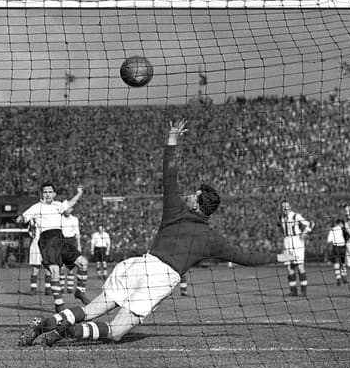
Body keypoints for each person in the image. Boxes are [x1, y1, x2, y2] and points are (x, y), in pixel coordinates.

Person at [20, 119, 285, 347]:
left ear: (196, 203)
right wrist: (279, 258)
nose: (190, 194)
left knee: (90, 310)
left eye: (195, 194)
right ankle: (65, 332)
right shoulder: (211, 239)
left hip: (138, 265)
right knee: (115, 332)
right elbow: (244, 257)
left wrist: (171, 141)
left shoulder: (175, 208)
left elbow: (169, 175)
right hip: (159, 280)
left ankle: (45, 323)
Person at [17, 181, 84, 311]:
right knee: (53, 271)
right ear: (41, 194)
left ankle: (80, 291)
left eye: (50, 192)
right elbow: (24, 217)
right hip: (46, 241)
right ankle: (58, 304)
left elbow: (70, 204)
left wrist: (79, 193)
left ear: (54, 194)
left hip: (60, 239)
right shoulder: (36, 207)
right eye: (45, 192)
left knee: (83, 263)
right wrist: (20, 218)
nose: (47, 194)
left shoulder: (58, 205)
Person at [278, 200, 313, 297]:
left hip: (297, 242)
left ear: (290, 207)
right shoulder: (281, 217)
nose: (285, 209)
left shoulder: (295, 216)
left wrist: (305, 232)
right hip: (287, 242)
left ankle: (303, 291)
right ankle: (293, 291)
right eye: (283, 207)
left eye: (287, 206)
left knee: (300, 266)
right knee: (289, 267)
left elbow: (310, 223)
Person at [57, 208, 89, 306]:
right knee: (60, 268)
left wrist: (78, 245)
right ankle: (60, 292)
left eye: (70, 208)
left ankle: (79, 291)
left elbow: (77, 233)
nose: (68, 210)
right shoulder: (58, 218)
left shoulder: (75, 219)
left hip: (71, 243)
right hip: (59, 242)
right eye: (66, 208)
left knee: (81, 263)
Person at [324, 218, 347, 287]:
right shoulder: (344, 230)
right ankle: (344, 277)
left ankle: (338, 278)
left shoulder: (333, 229)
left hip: (336, 247)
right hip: (343, 247)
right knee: (343, 263)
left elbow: (329, 240)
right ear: (340, 223)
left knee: (336, 263)